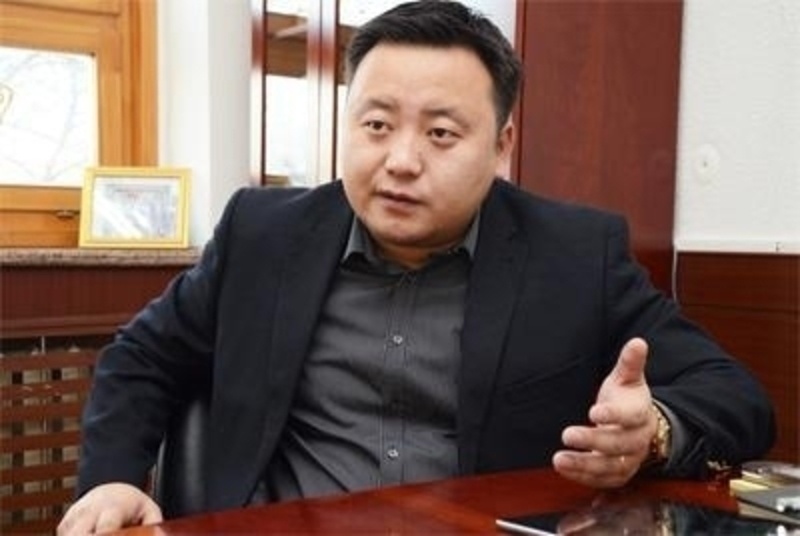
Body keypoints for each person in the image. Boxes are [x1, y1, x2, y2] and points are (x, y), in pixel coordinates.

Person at [58, 1, 775, 533]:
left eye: (440, 133)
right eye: (376, 125)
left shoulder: (575, 256)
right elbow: (142, 356)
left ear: (501, 145)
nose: (401, 160)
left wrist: (653, 432)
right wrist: (111, 480)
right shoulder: (263, 234)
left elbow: (737, 396)